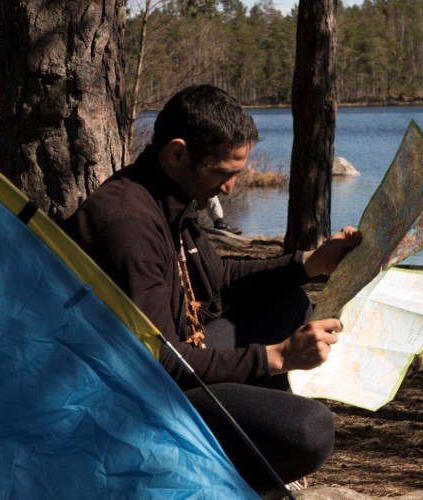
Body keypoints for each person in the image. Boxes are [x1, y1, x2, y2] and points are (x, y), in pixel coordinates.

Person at [62, 84, 362, 493]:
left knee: (288, 302)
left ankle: (251, 449)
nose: (230, 188)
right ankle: (216, 484)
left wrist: (310, 263)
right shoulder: (127, 223)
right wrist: (276, 357)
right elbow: (160, 362)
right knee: (310, 429)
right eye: (224, 172)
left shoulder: (167, 197)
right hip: (132, 400)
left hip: (174, 361)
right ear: (178, 153)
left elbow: (216, 279)